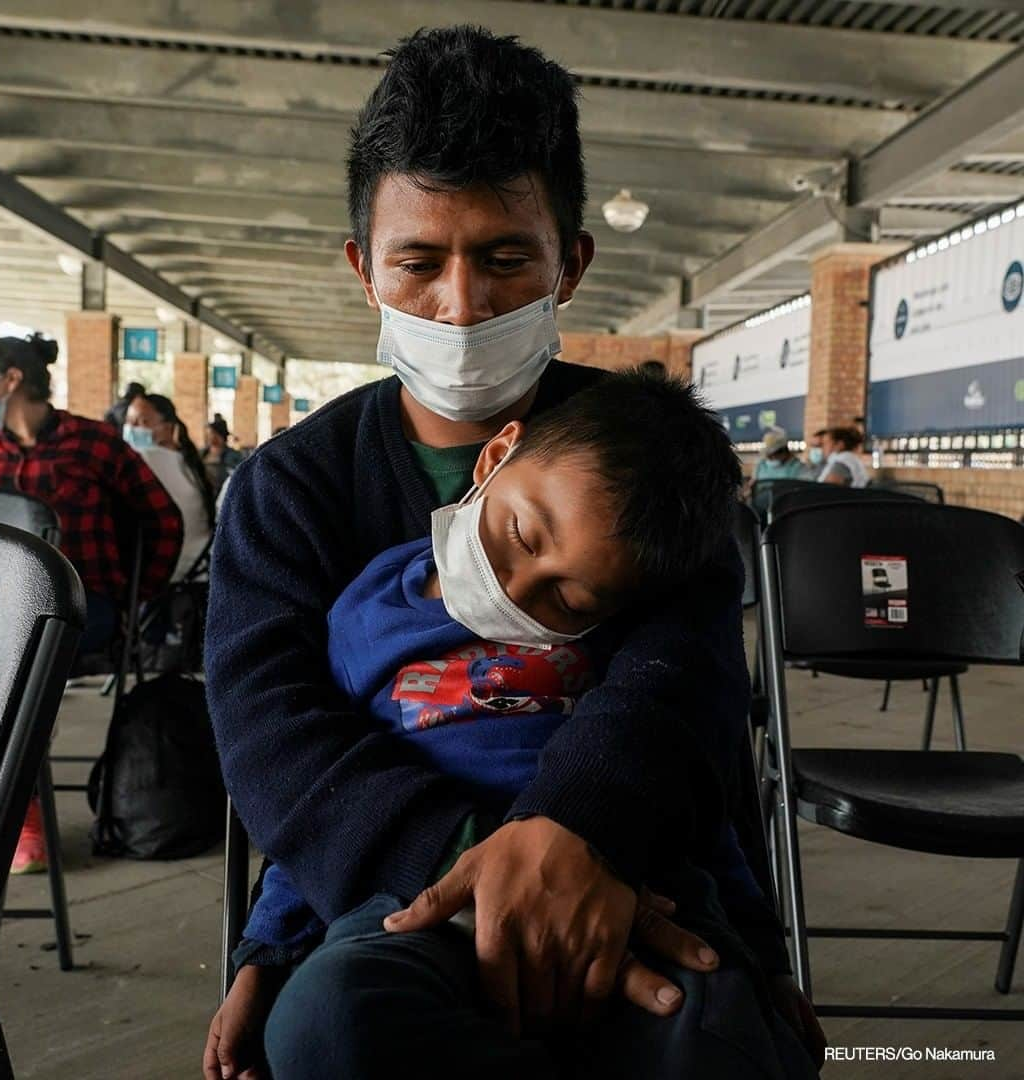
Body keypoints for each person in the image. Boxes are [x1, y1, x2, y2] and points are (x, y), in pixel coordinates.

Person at [204, 26, 822, 1080]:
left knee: (712, 1036)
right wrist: (484, 875)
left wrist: (580, 841)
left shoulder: (651, 461)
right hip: (402, 893)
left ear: (567, 263)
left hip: (632, 874)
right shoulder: (289, 489)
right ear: (363, 268)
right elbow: (275, 735)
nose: (462, 304)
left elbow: (685, 685)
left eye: (504, 258)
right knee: (339, 1027)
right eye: (418, 261)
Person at [206, 372, 816, 1079]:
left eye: (568, 593)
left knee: (719, 1037)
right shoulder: (365, 610)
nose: (517, 588)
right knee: (326, 1022)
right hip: (411, 906)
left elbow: (705, 796)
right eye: (522, 534)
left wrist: (765, 956)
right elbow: (312, 794)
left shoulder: (625, 627)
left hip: (629, 896)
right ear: (494, 459)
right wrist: (266, 952)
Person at [0, 333, 183, 872]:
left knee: (16, 665)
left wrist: (136, 596)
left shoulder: (94, 444)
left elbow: (162, 520)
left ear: (10, 380)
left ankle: (11, 809)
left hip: (78, 608)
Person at [123, 392, 215, 580]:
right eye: (128, 421)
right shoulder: (188, 461)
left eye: (141, 422)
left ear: (167, 428)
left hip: (166, 576)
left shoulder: (146, 459)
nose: (130, 429)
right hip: (198, 571)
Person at [202, 413, 244, 497]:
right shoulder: (202, 453)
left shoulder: (233, 456)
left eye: (214, 433)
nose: (211, 436)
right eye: (210, 433)